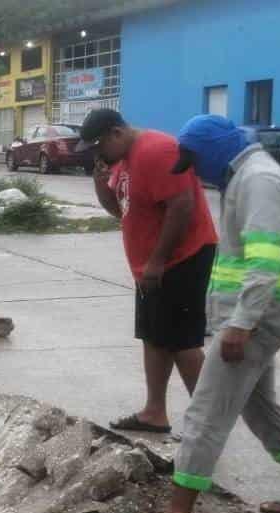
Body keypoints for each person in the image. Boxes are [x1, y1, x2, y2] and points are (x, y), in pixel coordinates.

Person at [121, 115, 280, 513]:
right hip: (255, 318)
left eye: (196, 163)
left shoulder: (258, 182)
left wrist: (241, 323)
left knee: (205, 411)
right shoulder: (244, 178)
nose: (196, 174)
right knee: (261, 410)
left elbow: (263, 263)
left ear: (214, 151)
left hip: (257, 321)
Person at [75, 108, 218, 435]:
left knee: (182, 342)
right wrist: (100, 183)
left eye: (98, 147)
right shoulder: (121, 161)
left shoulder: (157, 149)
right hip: (151, 265)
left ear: (115, 133)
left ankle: (210, 425)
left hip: (182, 258)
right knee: (153, 337)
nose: (97, 154)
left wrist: (157, 261)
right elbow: (119, 210)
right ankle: (155, 412)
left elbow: (182, 206)